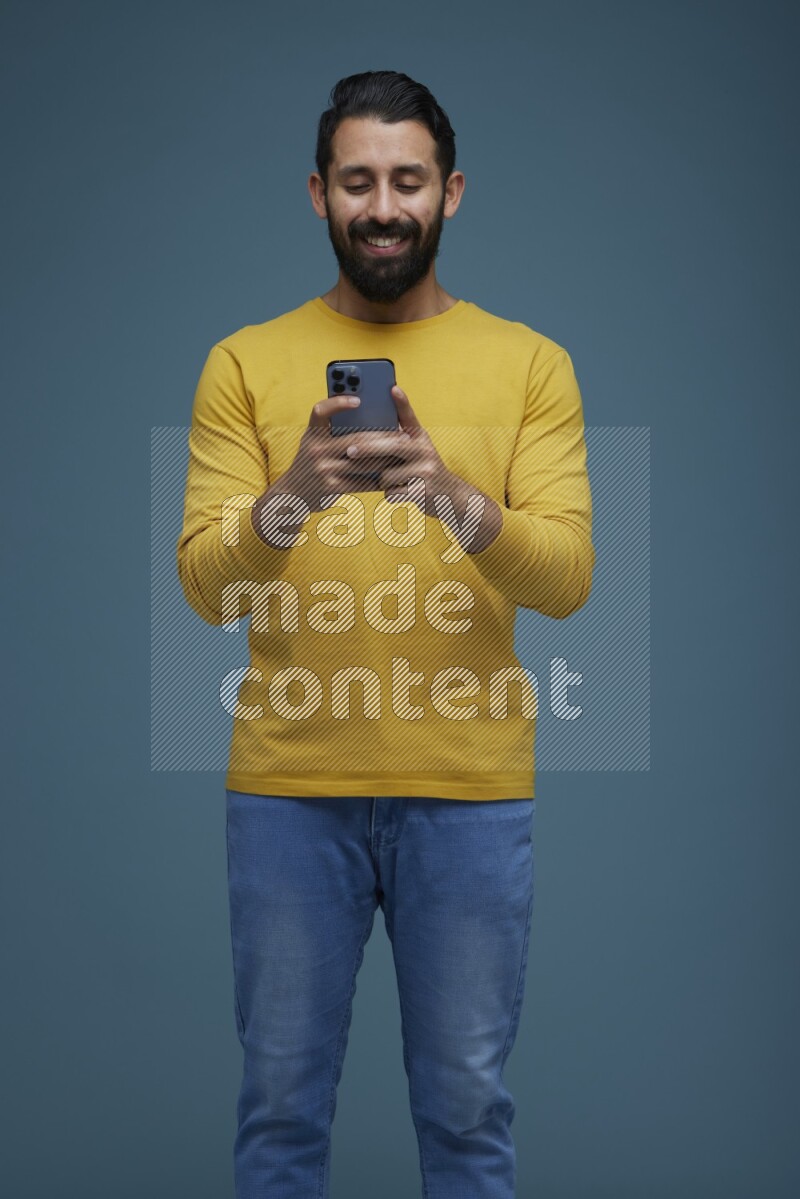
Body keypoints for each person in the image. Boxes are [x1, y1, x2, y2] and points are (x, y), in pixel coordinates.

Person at [177, 69, 594, 1199]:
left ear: (450, 193)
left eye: (408, 180)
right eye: (357, 181)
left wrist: (451, 496)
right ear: (318, 193)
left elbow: (566, 578)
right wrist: (292, 497)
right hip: (287, 792)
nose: (383, 206)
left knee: (466, 1110)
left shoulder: (531, 364)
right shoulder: (242, 361)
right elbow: (207, 588)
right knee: (279, 1107)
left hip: (468, 793)